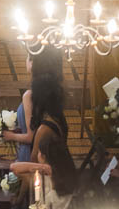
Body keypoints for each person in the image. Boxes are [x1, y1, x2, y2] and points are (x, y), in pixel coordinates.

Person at [10, 75, 76, 208]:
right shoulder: (59, 119)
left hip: (48, 180)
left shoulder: (44, 129)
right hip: (59, 174)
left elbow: (29, 165)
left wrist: (19, 198)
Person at [0, 47, 64, 164]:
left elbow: (31, 137)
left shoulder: (29, 96)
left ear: (34, 64)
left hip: (29, 154)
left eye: (28, 57)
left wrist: (9, 136)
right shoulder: (53, 92)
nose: (26, 60)